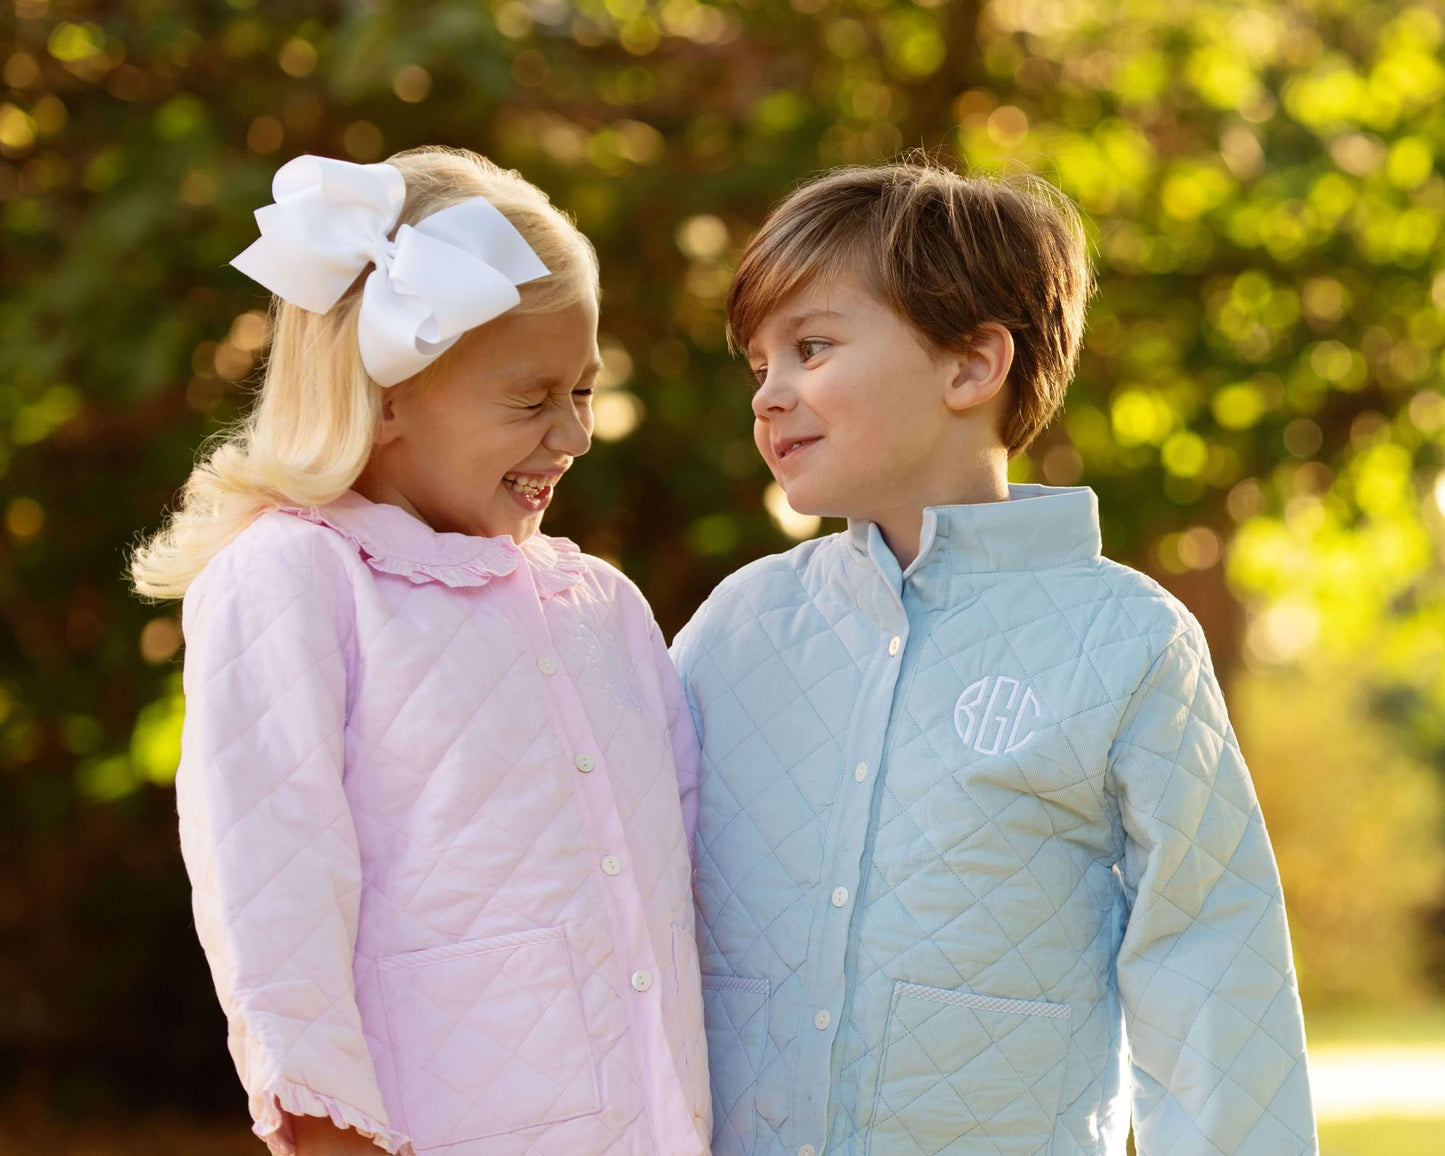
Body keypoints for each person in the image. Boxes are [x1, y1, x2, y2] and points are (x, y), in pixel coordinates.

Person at [671, 160, 1316, 1155]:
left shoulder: (1127, 641)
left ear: (970, 366)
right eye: (758, 364)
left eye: (811, 347)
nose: (768, 394)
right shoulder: (737, 627)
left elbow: (1211, 969)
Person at [131, 148, 710, 1156]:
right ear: (383, 396)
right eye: (530, 399)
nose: (572, 432)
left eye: (582, 389)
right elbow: (275, 917)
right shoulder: (296, 583)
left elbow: (693, 892)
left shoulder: (601, 607)